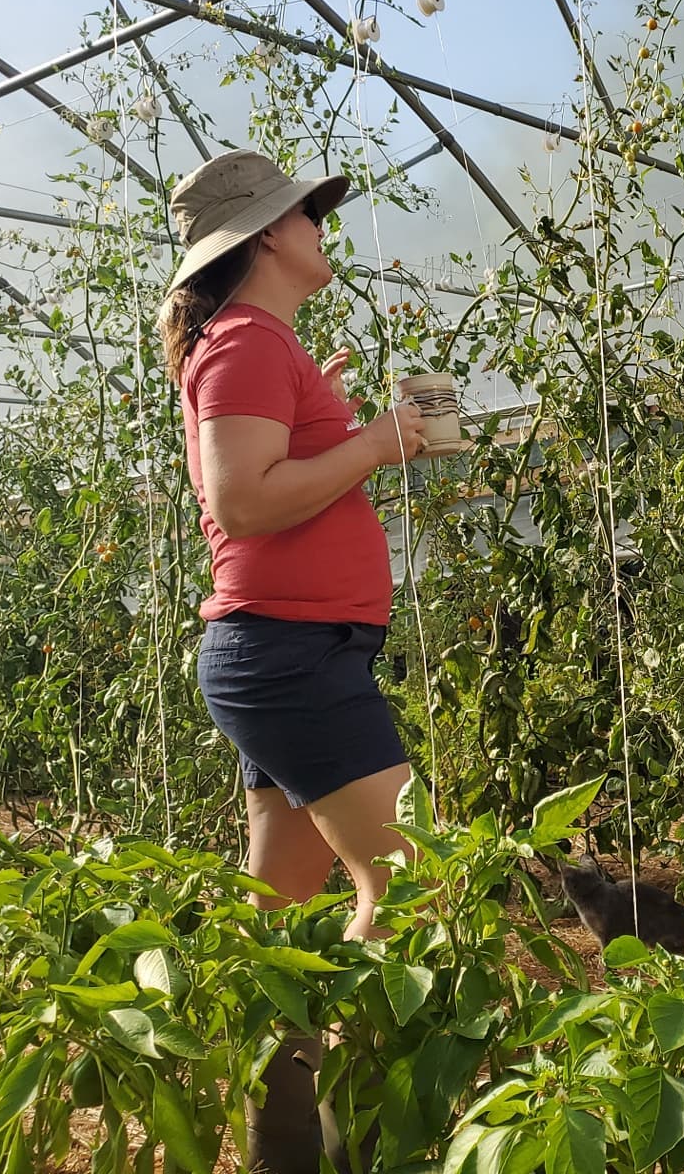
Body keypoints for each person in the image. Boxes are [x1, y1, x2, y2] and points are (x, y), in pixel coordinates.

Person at [155, 149, 426, 1174]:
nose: (321, 226)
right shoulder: (248, 342)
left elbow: (269, 479)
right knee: (410, 887)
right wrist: (373, 445)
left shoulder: (259, 344)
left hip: (285, 650)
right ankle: (366, 1145)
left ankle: (282, 1149)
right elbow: (243, 503)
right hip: (289, 654)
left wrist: (334, 427)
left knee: (276, 920)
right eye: (309, 214)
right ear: (267, 234)